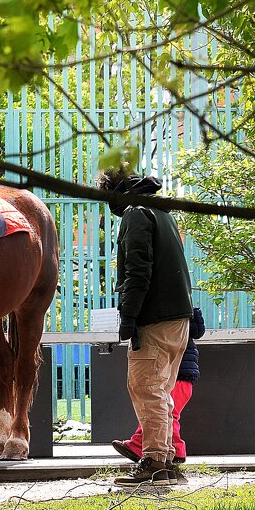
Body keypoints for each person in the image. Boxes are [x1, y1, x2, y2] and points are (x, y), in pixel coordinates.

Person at [100, 171, 193, 486]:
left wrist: (128, 315)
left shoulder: (136, 214)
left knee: (146, 389)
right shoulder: (162, 213)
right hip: (178, 318)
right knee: (161, 390)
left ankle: (153, 462)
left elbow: (138, 270)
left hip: (154, 318)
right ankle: (163, 460)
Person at [113, 306, 205, 466]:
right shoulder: (186, 323)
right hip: (186, 378)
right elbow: (198, 331)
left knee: (161, 409)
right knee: (166, 411)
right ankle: (145, 444)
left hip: (178, 376)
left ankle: (173, 449)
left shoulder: (170, 328)